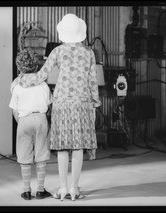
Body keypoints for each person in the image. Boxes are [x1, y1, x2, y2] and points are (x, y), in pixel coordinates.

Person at [11, 13, 101, 201]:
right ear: (80, 32)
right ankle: (74, 190)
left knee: (62, 147)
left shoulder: (57, 52)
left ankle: (62, 189)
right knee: (78, 147)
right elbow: (93, 82)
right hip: (82, 103)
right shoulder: (89, 53)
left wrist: (23, 80)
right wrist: (95, 104)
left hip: (61, 103)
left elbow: (42, 75)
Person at [9, 48, 53, 200]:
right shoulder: (43, 85)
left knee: (24, 155)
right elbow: (49, 106)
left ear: (19, 66)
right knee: (41, 153)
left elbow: (15, 110)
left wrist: (21, 122)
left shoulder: (17, 86)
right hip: (40, 119)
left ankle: (26, 191)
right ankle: (40, 190)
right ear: (37, 65)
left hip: (23, 121)